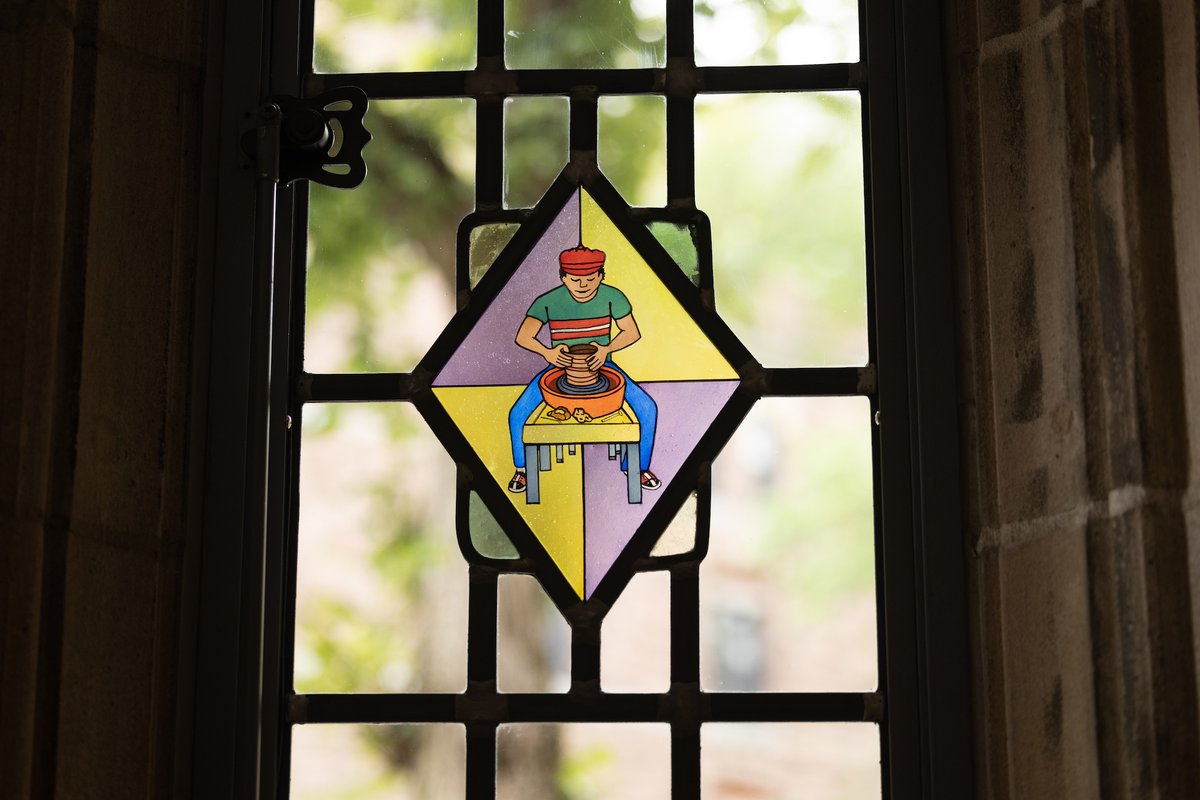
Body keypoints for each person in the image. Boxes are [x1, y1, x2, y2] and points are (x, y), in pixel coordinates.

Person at [507, 245, 660, 493]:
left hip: (604, 366)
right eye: (575, 279)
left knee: (647, 409)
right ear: (563, 277)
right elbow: (523, 336)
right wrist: (548, 352)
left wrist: (605, 349)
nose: (583, 285)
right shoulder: (547, 301)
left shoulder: (614, 297)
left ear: (600, 275)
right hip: (558, 369)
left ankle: (637, 468)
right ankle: (522, 470)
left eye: (590, 278)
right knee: (517, 414)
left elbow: (632, 332)